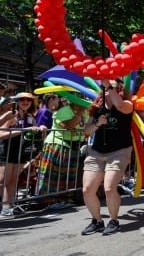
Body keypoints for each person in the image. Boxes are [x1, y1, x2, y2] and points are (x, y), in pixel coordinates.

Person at [81, 79, 134, 235]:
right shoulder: (96, 108)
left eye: (111, 87)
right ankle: (97, 221)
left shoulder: (127, 104)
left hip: (119, 151)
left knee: (109, 188)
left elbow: (120, 106)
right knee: (87, 189)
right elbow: (87, 131)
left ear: (119, 90)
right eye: (103, 87)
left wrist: (109, 86)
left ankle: (114, 220)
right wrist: (98, 124)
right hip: (97, 152)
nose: (106, 89)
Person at [0, 93, 45, 218]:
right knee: (3, 181)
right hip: (7, 150)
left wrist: (40, 127)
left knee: (13, 181)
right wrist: (23, 130)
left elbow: (34, 128)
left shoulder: (29, 115)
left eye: (28, 100)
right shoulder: (11, 115)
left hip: (20, 152)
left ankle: (6, 208)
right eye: (22, 99)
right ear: (16, 101)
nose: (25, 102)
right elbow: (1, 134)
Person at [36, 99, 87, 195]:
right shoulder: (63, 111)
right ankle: (46, 200)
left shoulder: (85, 112)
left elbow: (83, 129)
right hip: (57, 146)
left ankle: (63, 198)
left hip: (73, 146)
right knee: (52, 175)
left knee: (66, 176)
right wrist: (79, 113)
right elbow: (69, 126)